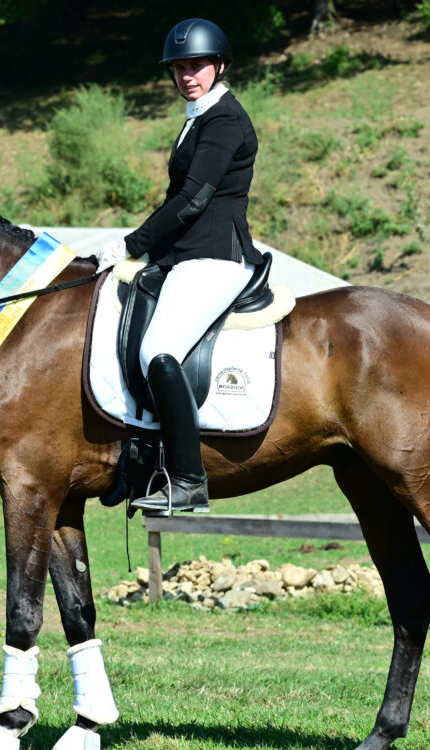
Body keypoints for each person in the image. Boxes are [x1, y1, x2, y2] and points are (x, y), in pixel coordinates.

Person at [94, 18, 265, 514]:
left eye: (197, 66)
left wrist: (131, 244)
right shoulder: (198, 115)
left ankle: (188, 479)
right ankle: (139, 458)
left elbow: (192, 201)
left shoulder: (225, 120)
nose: (188, 75)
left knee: (160, 349)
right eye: (180, 67)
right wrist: (145, 252)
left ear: (220, 66)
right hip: (183, 256)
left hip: (216, 256)